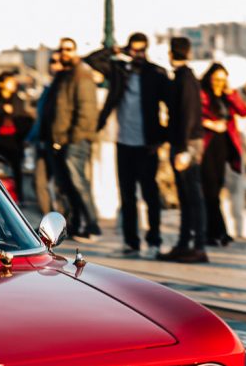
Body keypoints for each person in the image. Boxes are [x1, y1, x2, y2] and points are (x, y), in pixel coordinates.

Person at [85, 32, 170, 257]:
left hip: (147, 144)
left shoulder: (157, 74)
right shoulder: (119, 71)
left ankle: (154, 241)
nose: (138, 54)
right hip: (123, 143)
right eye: (134, 50)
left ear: (147, 50)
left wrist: (161, 138)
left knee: (150, 195)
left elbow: (171, 107)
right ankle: (131, 242)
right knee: (127, 195)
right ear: (129, 50)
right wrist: (115, 51)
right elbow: (91, 60)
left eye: (142, 50)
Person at [157, 36, 207, 263]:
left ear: (170, 53)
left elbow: (187, 115)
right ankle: (185, 243)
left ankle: (198, 247)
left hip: (187, 144)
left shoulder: (185, 79)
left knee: (192, 196)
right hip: (184, 142)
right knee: (186, 196)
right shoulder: (183, 77)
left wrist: (184, 149)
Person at [47, 37, 101, 240]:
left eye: (69, 49)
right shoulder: (65, 76)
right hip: (61, 140)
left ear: (76, 51)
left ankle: (93, 226)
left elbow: (87, 112)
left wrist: (71, 138)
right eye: (61, 49)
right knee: (67, 186)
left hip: (75, 141)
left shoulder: (82, 75)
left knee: (79, 183)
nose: (64, 53)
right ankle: (77, 224)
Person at [199, 62, 246, 248]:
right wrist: (210, 124)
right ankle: (217, 231)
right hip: (207, 145)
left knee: (216, 189)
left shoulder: (227, 97)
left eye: (222, 79)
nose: (219, 83)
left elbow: (243, 111)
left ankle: (215, 232)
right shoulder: (202, 94)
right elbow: (196, 115)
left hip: (223, 147)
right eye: (216, 79)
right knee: (209, 190)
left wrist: (232, 94)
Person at [26, 56, 65, 215]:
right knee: (39, 182)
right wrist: (30, 137)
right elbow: (40, 118)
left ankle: (63, 221)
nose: (54, 65)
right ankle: (49, 219)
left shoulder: (64, 87)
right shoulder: (47, 88)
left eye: (58, 62)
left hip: (58, 143)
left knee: (59, 185)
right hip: (42, 142)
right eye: (52, 61)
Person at [0, 71, 33, 199]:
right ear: (1, 84)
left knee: (16, 170)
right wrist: (2, 110)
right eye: (10, 81)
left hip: (14, 141)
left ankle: (18, 197)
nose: (13, 84)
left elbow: (23, 118)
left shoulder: (18, 99)